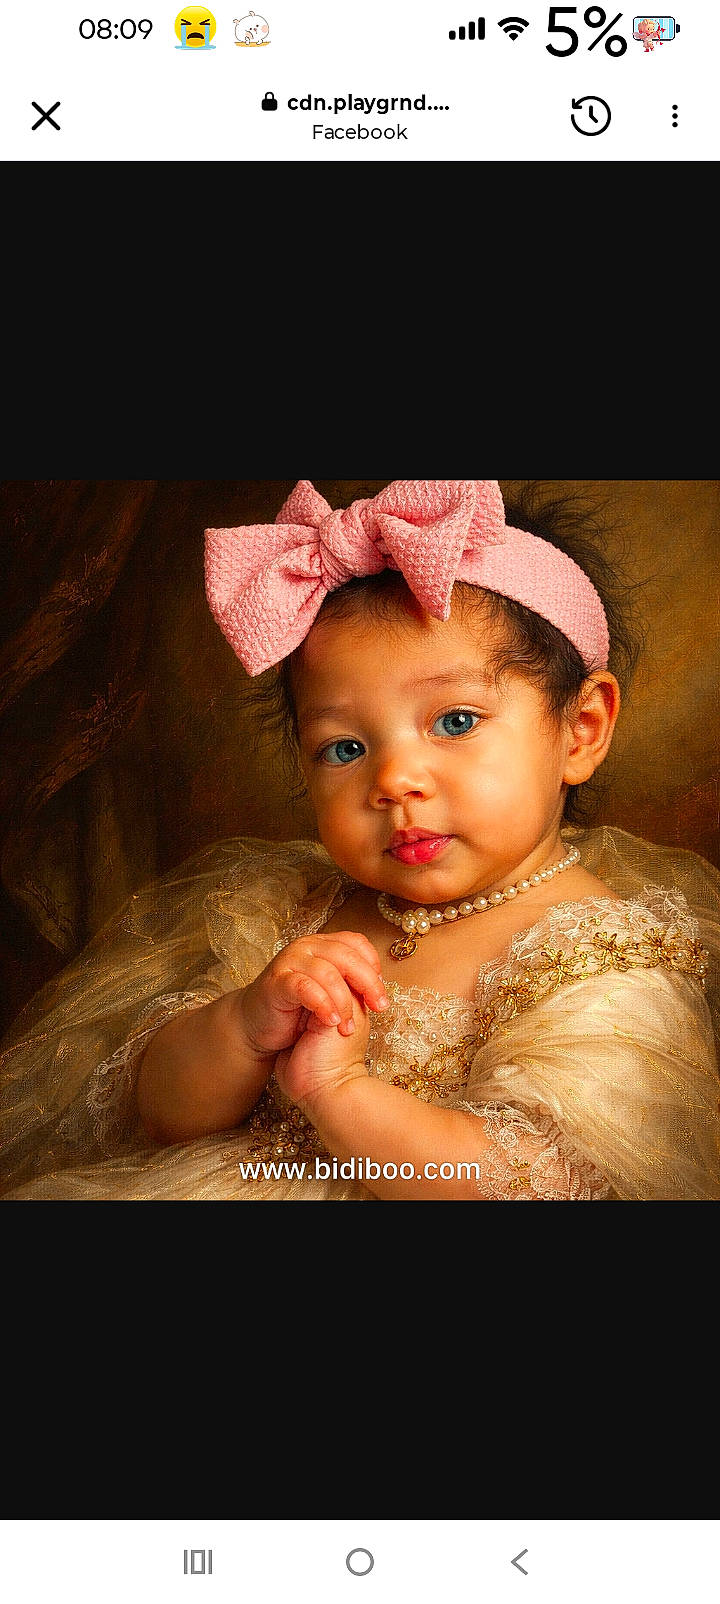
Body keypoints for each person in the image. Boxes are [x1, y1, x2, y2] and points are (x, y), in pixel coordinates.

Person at [1, 479, 719, 1201]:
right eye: (344, 748)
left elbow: (537, 1185)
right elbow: (160, 1116)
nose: (395, 780)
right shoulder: (287, 909)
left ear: (581, 730)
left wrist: (337, 1091)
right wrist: (245, 1025)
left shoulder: (605, 957)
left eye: (456, 722)